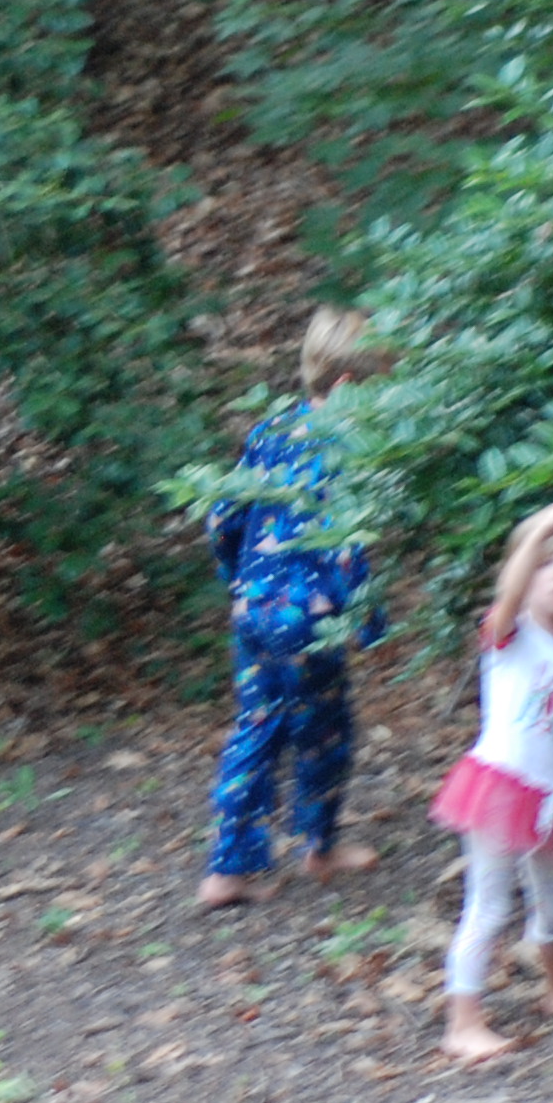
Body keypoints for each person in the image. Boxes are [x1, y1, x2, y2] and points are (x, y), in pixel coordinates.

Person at [198, 307, 387, 910]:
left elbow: (222, 516)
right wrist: (368, 622)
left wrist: (238, 579)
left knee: (257, 726)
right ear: (350, 385)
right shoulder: (349, 451)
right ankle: (319, 845)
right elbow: (350, 544)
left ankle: (228, 866)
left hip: (253, 612)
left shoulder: (272, 429)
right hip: (307, 621)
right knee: (325, 730)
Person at [426, 499, 553, 1062]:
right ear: (524, 570)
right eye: (547, 563)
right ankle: (463, 1023)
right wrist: (542, 527)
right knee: (489, 905)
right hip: (498, 788)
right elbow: (508, 592)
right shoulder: (511, 633)